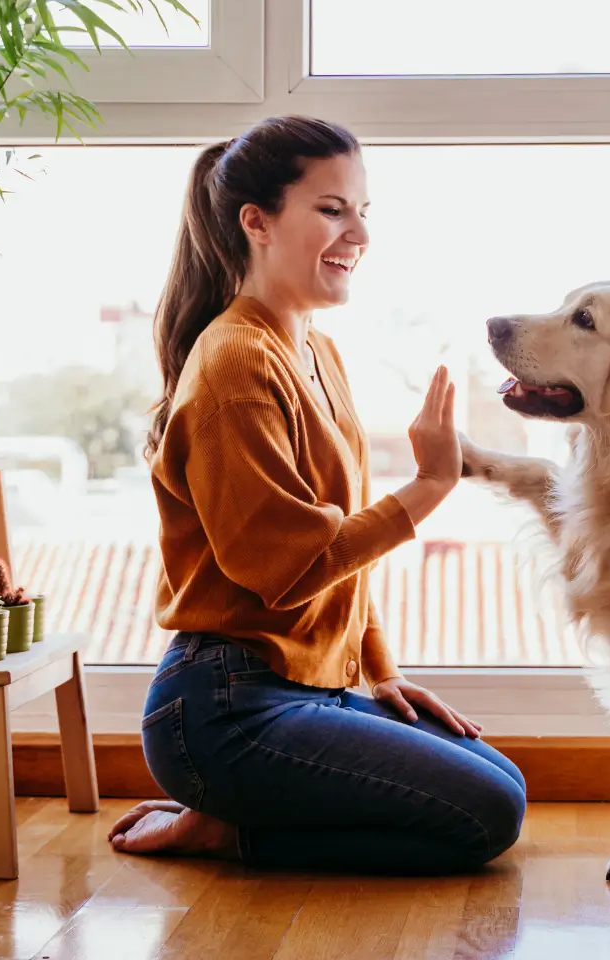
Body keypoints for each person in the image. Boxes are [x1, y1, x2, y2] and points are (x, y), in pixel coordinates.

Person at [108, 116, 527, 873]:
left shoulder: (314, 349)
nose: (358, 233)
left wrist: (380, 669)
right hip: (222, 708)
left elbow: (339, 559)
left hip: (307, 686)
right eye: (333, 209)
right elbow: (289, 568)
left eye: (364, 211)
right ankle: (225, 829)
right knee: (487, 816)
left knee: (504, 782)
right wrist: (432, 484)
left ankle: (235, 818)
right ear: (257, 222)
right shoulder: (234, 366)